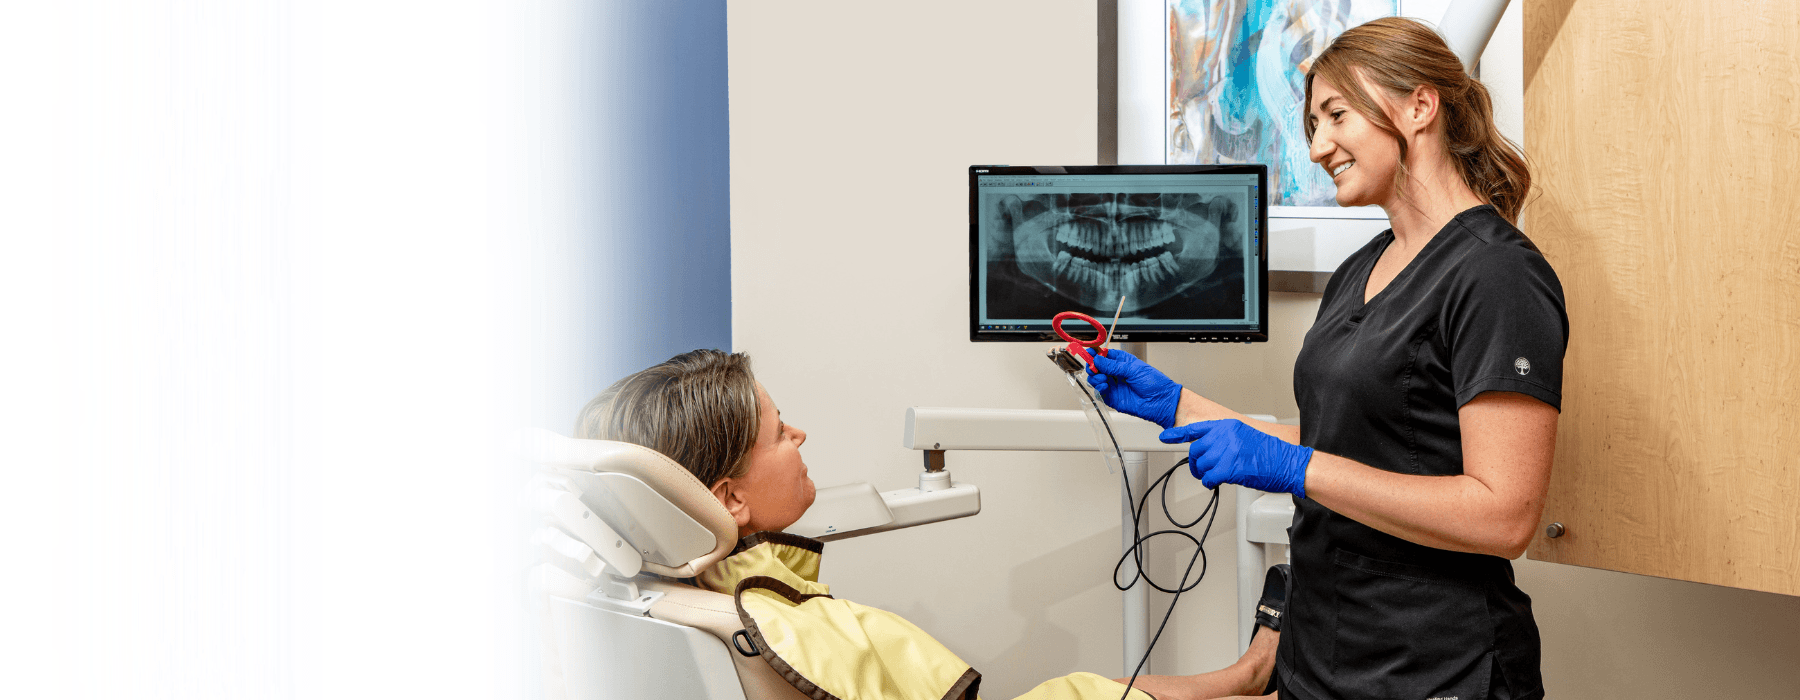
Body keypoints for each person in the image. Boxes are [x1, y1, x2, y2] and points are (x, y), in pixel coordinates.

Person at [1084, 17, 1564, 700]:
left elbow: (1504, 515)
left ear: (1419, 107)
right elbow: (1345, 444)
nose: (1316, 147)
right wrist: (1175, 404)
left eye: (1335, 115)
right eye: (1312, 123)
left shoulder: (1496, 276)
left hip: (1436, 666)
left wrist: (1297, 468)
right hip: (1326, 652)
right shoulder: (1361, 269)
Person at [576, 349, 1161, 700]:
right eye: (781, 433)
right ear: (728, 500)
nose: (799, 436)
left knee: (1081, 688)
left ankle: (1252, 669)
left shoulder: (677, 591)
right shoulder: (784, 623)